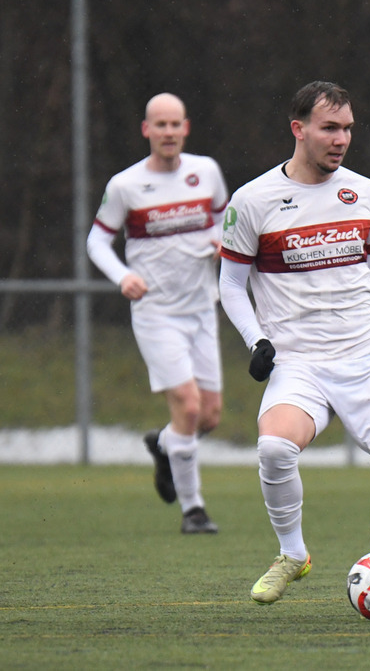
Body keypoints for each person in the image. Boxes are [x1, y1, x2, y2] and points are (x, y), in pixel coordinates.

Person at [219, 81, 370, 609]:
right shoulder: (252, 200)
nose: (341, 139)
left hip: (365, 354)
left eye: (348, 128)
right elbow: (230, 285)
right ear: (299, 129)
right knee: (274, 448)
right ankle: (293, 554)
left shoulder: (366, 192)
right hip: (299, 360)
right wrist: (256, 340)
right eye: (330, 128)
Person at [87, 92, 227, 535]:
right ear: (146, 130)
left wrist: (222, 241)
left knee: (209, 416)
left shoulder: (205, 173)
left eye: (175, 124)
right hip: (156, 313)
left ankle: (165, 446)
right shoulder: (125, 185)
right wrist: (121, 275)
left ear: (186, 128)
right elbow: (95, 241)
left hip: (202, 308)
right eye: (159, 125)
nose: (168, 132)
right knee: (186, 406)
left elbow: (226, 219)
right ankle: (194, 509)